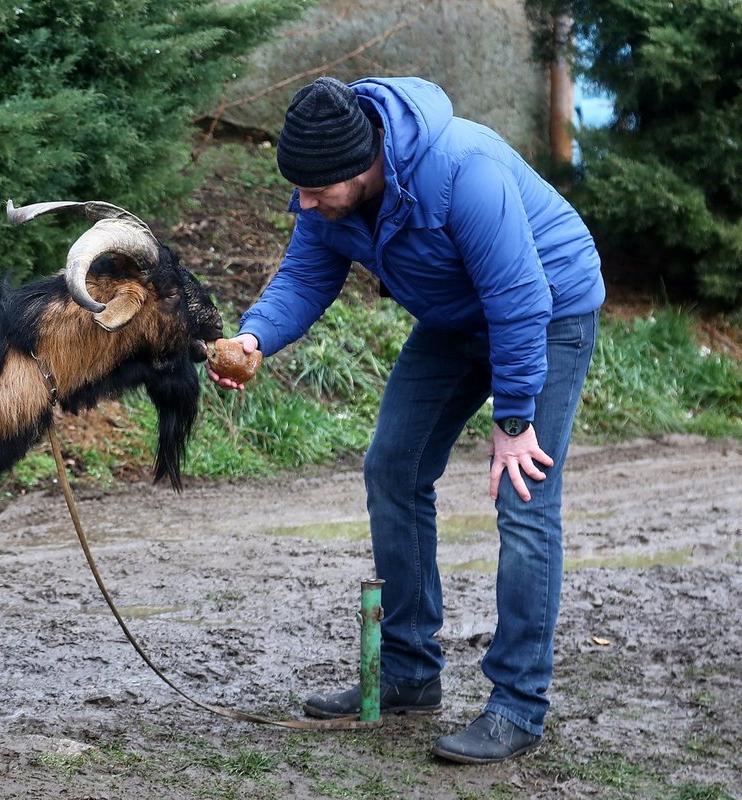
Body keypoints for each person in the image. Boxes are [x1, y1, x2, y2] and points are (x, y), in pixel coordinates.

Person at [208, 76, 604, 764]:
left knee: (524, 494)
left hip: (547, 309)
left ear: (363, 165)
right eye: (296, 189)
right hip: (456, 318)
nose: (303, 204)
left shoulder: (461, 173)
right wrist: (254, 338)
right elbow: (306, 274)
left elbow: (518, 296)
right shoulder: (327, 191)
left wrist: (513, 421)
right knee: (392, 465)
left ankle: (517, 705)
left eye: (314, 192)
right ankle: (408, 672)